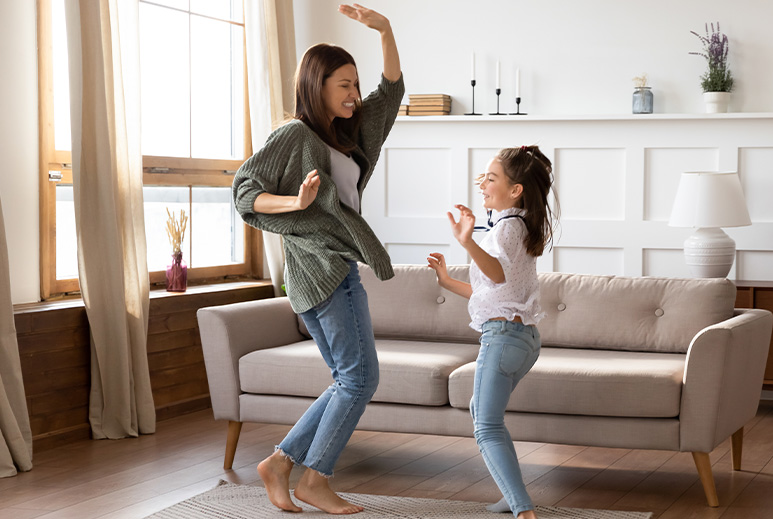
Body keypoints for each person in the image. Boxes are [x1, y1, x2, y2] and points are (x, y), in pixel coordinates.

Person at [232, 3, 403, 514]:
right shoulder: (294, 136)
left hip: (331, 271)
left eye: (355, 83)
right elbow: (244, 192)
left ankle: (281, 465)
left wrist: (386, 30)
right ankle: (313, 477)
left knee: (349, 379)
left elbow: (390, 93)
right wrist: (296, 203)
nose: (354, 94)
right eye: (344, 85)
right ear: (317, 86)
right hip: (322, 269)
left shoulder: (345, 134)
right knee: (360, 378)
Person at [427, 146, 559, 519]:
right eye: (482, 177)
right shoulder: (518, 224)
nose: (481, 183)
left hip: (502, 339)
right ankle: (510, 492)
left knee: (485, 425)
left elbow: (497, 274)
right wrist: (447, 280)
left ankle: (523, 511)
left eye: (491, 177)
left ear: (515, 190)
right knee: (484, 413)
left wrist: (466, 241)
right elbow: (494, 290)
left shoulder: (505, 228)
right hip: (523, 340)